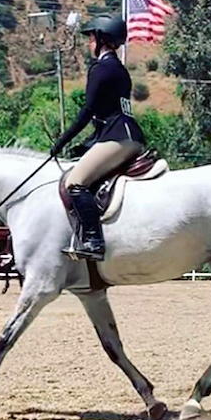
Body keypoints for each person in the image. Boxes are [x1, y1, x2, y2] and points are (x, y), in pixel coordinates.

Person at [51, 14, 146, 261]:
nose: (88, 43)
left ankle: (94, 241)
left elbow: (88, 111)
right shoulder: (119, 69)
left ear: (102, 39)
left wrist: (62, 140)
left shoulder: (102, 69)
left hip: (117, 138)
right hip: (126, 135)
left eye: (91, 37)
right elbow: (107, 112)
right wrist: (88, 143)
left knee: (75, 183)